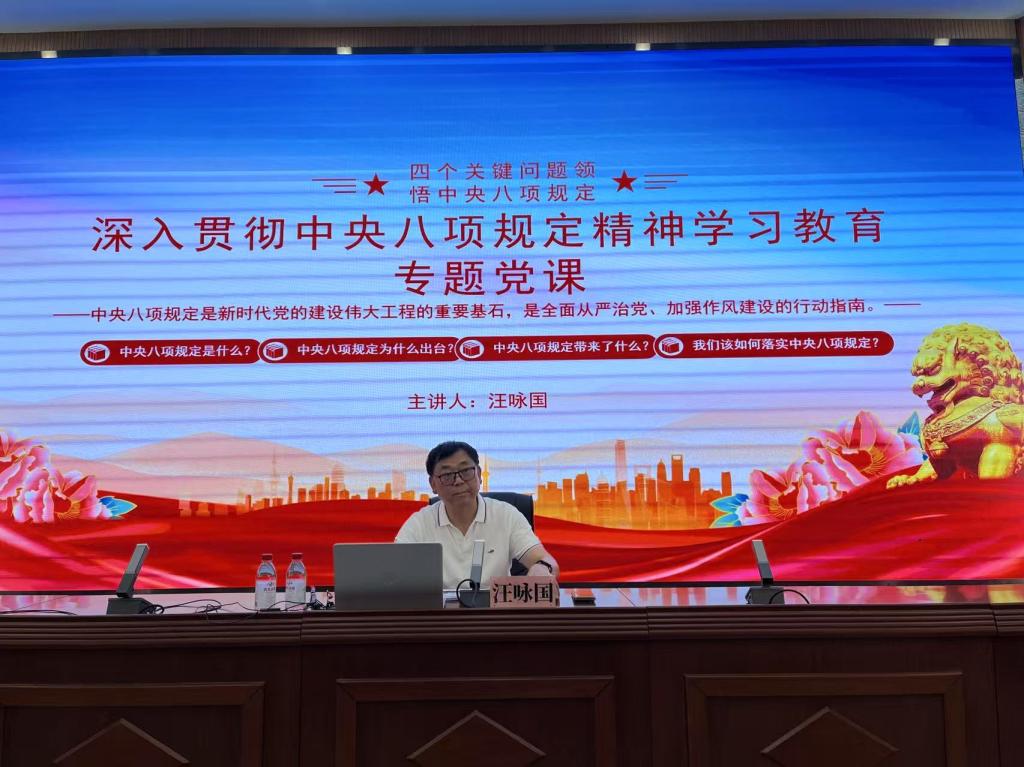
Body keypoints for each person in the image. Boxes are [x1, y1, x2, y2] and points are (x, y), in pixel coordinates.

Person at [395, 440, 559, 590]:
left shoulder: (506, 515)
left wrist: (542, 568)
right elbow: (395, 572)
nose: (458, 481)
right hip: (439, 611)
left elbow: (545, 560)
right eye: (447, 475)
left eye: (466, 471)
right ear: (433, 484)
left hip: (494, 610)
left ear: (479, 474)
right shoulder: (419, 523)